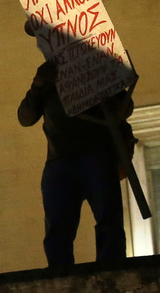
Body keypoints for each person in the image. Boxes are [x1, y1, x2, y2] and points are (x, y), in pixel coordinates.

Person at [18, 36, 134, 267]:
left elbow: (125, 106)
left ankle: (110, 267)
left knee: (107, 220)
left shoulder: (97, 69)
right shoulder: (48, 79)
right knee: (59, 228)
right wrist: (38, 84)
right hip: (60, 162)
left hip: (95, 156)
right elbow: (25, 117)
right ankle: (61, 273)